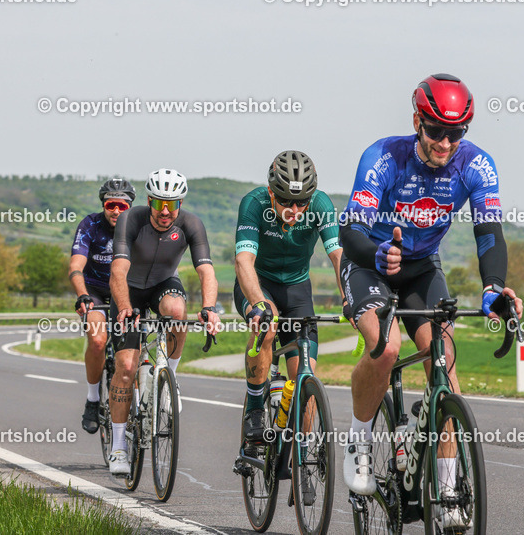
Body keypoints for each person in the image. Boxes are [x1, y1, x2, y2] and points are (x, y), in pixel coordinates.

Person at [339, 74, 523, 528]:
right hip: (369, 261)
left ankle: (447, 489)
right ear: (417, 121)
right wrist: (375, 252)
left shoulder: (477, 166)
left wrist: (494, 286)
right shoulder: (383, 157)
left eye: (456, 133)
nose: (445, 142)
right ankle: (359, 441)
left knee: (444, 365)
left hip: (421, 266)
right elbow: (350, 231)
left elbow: (488, 233)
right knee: (387, 347)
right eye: (436, 130)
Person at [105, 168, 222, 476]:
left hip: (162, 283)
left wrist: (209, 307)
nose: (166, 211)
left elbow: (207, 272)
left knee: (177, 311)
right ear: (149, 201)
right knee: (127, 367)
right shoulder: (131, 219)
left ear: (180, 203)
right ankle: (118, 446)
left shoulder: (191, 224)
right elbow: (118, 270)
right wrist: (126, 306)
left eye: (172, 204)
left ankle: (169, 378)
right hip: (128, 288)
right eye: (159, 204)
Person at [234, 150, 342, 446]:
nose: (294, 210)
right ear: (271, 192)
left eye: (301, 202)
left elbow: (338, 257)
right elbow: (243, 261)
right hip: (258, 284)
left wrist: (351, 300)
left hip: (297, 290)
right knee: (265, 326)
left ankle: (302, 455)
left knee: (304, 381)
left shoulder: (320, 204)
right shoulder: (254, 204)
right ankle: (255, 410)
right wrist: (258, 303)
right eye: (284, 201)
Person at [70, 178, 136, 434]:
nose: (116, 211)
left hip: (126, 292)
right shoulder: (90, 225)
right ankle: (92, 398)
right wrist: (82, 295)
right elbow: (76, 266)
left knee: (134, 353)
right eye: (111, 205)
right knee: (97, 341)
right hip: (95, 290)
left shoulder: (138, 226)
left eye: (122, 206)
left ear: (130, 206)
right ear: (104, 205)